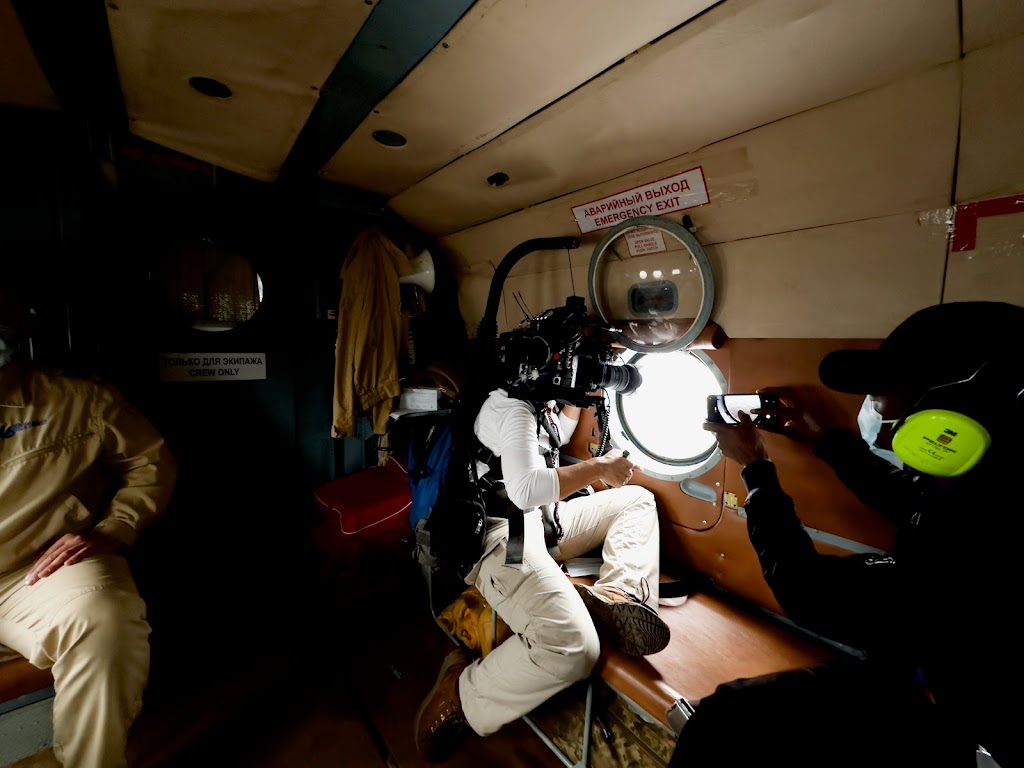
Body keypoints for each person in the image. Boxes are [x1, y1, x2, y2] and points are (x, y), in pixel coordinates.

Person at [671, 301, 1023, 768]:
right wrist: (827, 441)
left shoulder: (977, 549)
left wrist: (756, 469)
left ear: (955, 430)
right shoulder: (979, 493)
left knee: (725, 721)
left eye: (895, 414)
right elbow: (914, 501)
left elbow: (805, 589)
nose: (877, 413)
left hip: (948, 707)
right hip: (932, 670)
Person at [414, 381, 670, 761]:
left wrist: (584, 396)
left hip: (543, 519)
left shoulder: (541, 407)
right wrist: (601, 466)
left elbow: (557, 434)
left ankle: (619, 593)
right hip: (499, 532)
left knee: (638, 500)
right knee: (575, 645)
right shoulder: (512, 406)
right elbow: (526, 490)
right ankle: (464, 693)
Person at [0, 283, 178, 768]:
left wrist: (114, 528)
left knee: (105, 619)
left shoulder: (76, 400)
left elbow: (151, 464)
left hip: (31, 575)